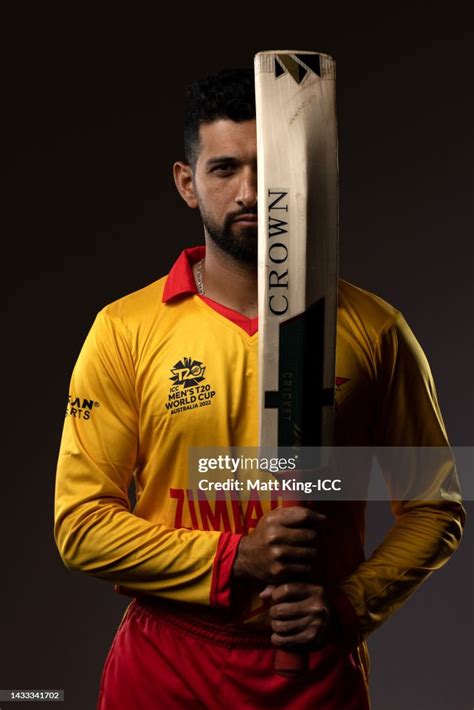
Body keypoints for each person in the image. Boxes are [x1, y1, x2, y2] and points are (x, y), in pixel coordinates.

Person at [54, 68, 465, 710]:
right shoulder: (123, 330)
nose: (249, 192)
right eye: (224, 169)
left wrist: (348, 607)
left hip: (311, 666)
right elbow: (80, 524)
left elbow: (436, 506)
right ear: (187, 184)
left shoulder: (374, 329)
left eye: (268, 167)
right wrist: (232, 559)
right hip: (167, 665)